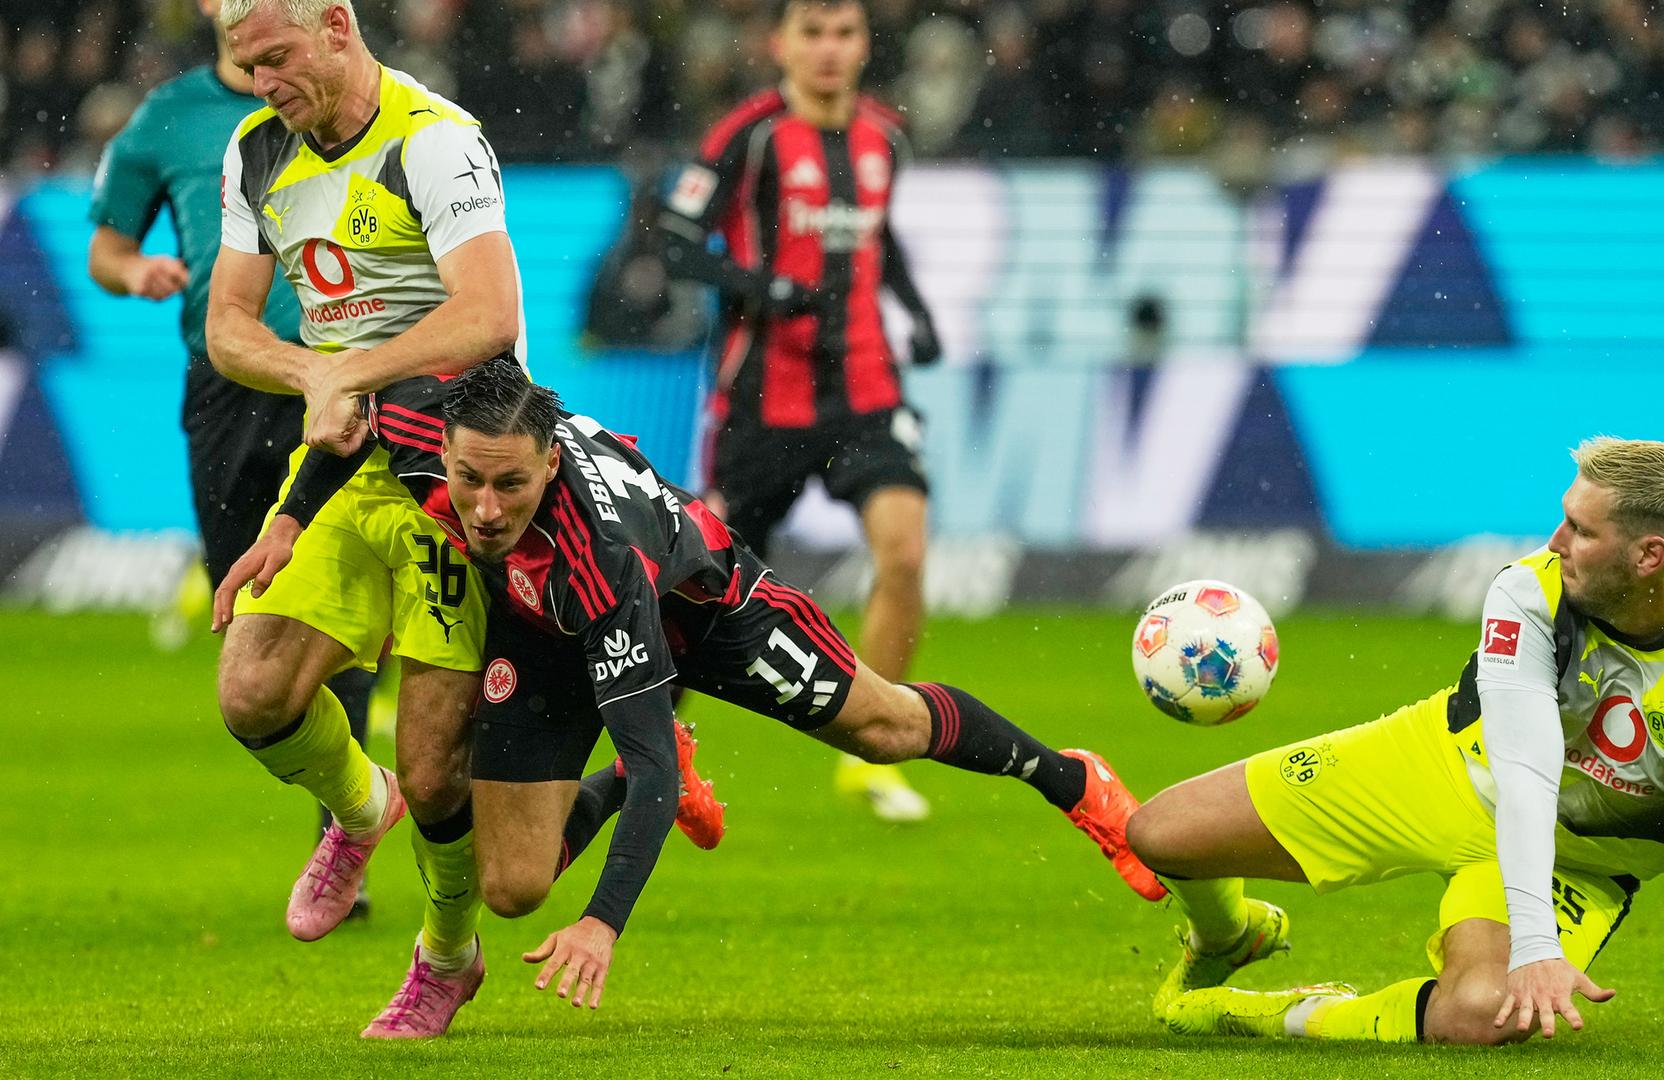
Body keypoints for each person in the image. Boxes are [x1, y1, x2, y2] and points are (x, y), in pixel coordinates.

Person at [216, 358, 1167, 1009]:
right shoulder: (431, 420)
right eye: (470, 482)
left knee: (882, 727)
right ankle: (627, 787)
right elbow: (349, 430)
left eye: (511, 486)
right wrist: (291, 522)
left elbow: (633, 692)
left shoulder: (602, 560)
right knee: (511, 889)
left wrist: (602, 923)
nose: (484, 508)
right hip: (543, 633)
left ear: (550, 464)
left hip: (703, 609)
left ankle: (1076, 782)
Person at [1125, 438, 1664, 1054]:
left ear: (1649, 555)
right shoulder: (1527, 593)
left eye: (1580, 530)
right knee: (1159, 835)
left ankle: (1259, 1011)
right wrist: (1536, 950)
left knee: (1478, 1014)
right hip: (1438, 765)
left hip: (1583, 860)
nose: (1555, 542)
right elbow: (1527, 774)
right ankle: (1228, 935)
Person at [205, 0, 517, 1038]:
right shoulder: (256, 155)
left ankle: (446, 957)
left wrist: (352, 371)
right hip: (341, 460)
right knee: (251, 690)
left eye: (277, 59)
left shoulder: (436, 141)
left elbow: (488, 319)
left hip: (458, 472)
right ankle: (355, 808)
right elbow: (229, 328)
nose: (263, 85)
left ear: (337, 25)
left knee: (440, 770)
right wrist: (311, 374)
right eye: (246, 68)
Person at [85, 0, 376, 916]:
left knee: (339, 595)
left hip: (337, 378)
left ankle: (347, 833)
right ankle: (350, 796)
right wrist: (136, 273)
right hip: (225, 386)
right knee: (251, 617)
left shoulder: (344, 98)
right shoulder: (166, 118)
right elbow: (108, 242)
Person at [656, 0, 943, 823]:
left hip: (865, 390)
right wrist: (761, 290)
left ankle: (872, 757)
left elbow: (878, 239)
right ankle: (659, 754)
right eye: (812, 33)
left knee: (905, 551)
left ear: (863, 46)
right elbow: (673, 240)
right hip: (762, 403)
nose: (828, 50)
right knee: (700, 587)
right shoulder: (745, 136)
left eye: (844, 33)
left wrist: (915, 311)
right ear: (780, 44)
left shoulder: (886, 138)